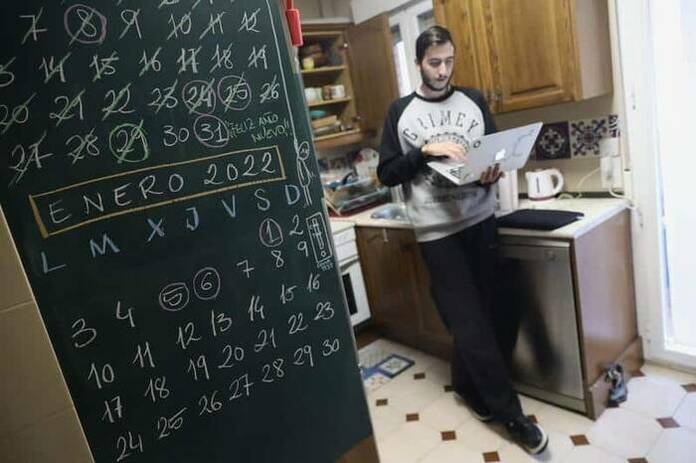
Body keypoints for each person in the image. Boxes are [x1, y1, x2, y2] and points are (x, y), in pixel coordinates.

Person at [377, 25, 549, 455]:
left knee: (493, 314)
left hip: (480, 221)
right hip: (438, 233)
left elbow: (492, 155)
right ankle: (512, 416)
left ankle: (467, 386)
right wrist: (424, 152)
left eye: (449, 61)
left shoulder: (473, 100)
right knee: (469, 322)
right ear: (419, 63)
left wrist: (492, 170)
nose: (443, 70)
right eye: (434, 63)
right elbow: (388, 173)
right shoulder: (400, 111)